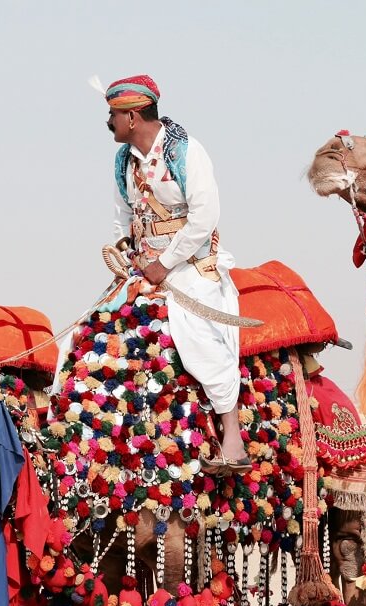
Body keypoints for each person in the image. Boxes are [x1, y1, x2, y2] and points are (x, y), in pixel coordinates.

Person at [105, 74, 249, 473]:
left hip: (189, 267)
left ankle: (232, 438)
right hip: (143, 270)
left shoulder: (186, 152)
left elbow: (205, 218)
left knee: (198, 336)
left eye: (112, 116)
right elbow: (122, 217)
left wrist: (163, 265)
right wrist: (130, 256)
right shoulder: (122, 161)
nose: (108, 124)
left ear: (132, 116)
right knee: (97, 332)